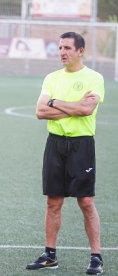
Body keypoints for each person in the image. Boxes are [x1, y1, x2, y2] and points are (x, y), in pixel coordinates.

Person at [26, 32, 105, 275]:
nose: (62, 52)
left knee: (86, 201)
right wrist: (72, 107)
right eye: (60, 47)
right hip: (55, 144)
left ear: (80, 51)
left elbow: (87, 109)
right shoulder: (51, 78)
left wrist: (55, 103)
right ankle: (50, 255)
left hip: (81, 145)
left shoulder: (94, 78)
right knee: (53, 202)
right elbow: (40, 111)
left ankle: (96, 257)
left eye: (68, 48)